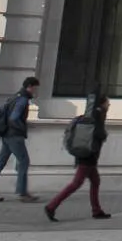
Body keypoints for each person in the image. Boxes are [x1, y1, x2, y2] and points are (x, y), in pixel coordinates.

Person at [45, 93, 112, 222]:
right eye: (107, 102)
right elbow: (99, 134)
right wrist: (104, 134)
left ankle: (97, 210)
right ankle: (51, 206)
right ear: (101, 103)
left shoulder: (92, 113)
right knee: (76, 183)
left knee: (95, 181)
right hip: (88, 156)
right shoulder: (97, 115)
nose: (109, 105)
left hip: (88, 155)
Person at [0, 76, 40, 204]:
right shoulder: (23, 100)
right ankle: (22, 193)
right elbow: (14, 118)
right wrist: (22, 127)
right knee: (24, 161)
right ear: (30, 87)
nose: (36, 91)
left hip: (6, 135)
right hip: (15, 136)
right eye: (35, 88)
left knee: (0, 163)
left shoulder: (15, 96)